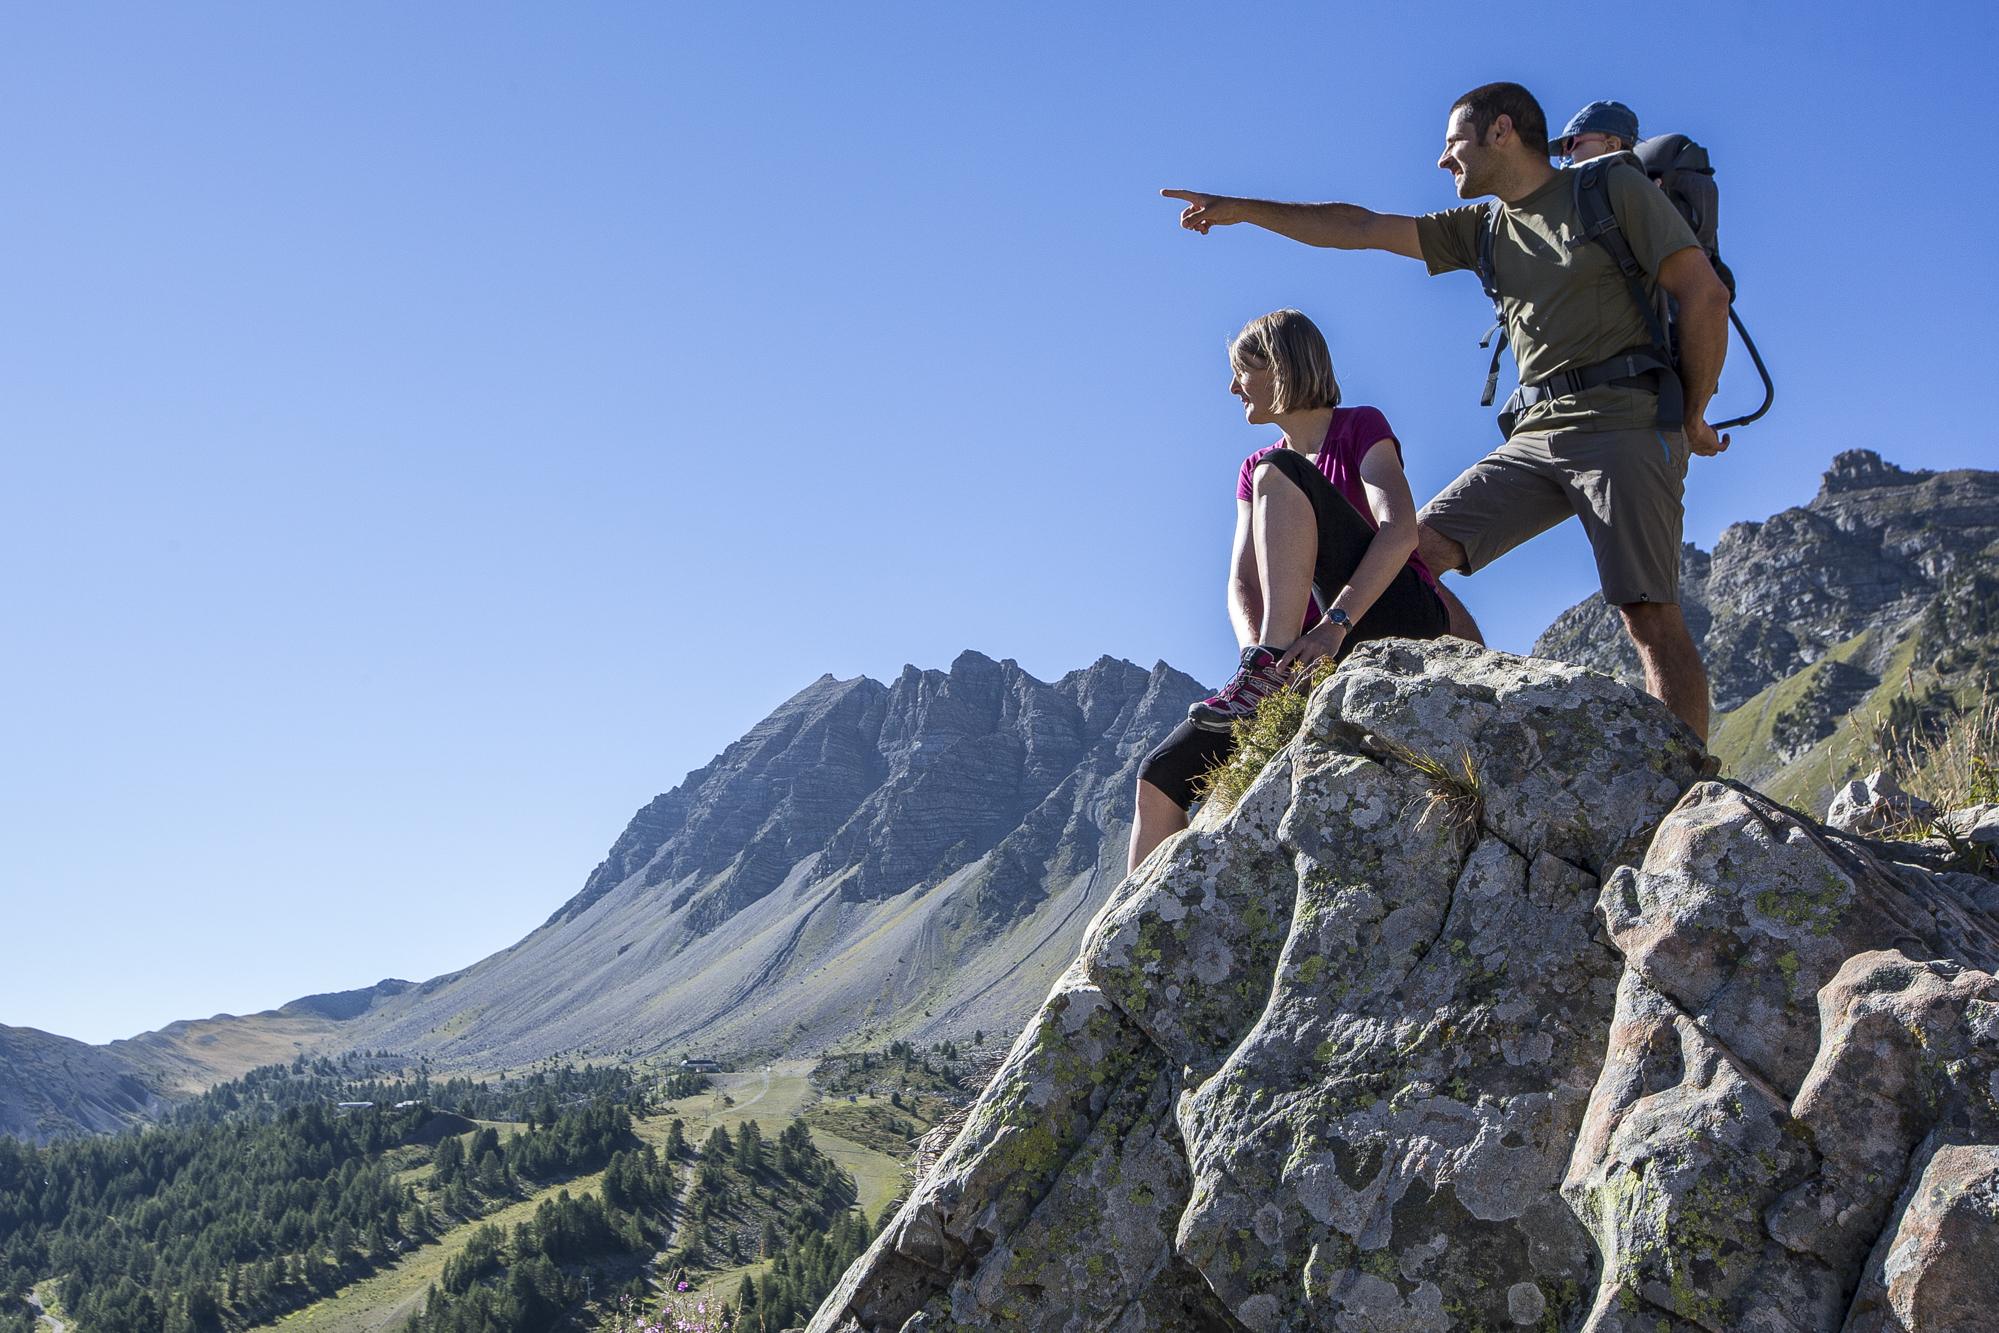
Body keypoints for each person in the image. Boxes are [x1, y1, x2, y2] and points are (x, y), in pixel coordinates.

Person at [1160, 81, 1732, 743]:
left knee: (1648, 616)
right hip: (1535, 433)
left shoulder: (1607, 189)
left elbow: (1702, 294)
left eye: (1452, 143)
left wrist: (1691, 413)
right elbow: (1360, 228)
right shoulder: (1481, 229)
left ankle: (1685, 782)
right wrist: (1240, 209)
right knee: (1408, 555)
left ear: (1501, 133)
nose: (1441, 161)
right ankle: (1470, 702)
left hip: (1623, 420)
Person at [1129, 309, 1449, 871]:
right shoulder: (1252, 468)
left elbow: (1400, 529)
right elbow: (1241, 582)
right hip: (1295, 657)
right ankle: (1116, 957)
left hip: (1387, 616)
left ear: (1278, 366)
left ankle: (1268, 664)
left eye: (1242, 370)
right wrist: (1262, 657)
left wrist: (1334, 625)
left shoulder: (1359, 428)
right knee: (1159, 775)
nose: (1232, 387)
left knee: (1280, 468)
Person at [1552, 99, 1639, 162]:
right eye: (1561, 152)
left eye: (1570, 144)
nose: (1565, 157)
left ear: (1611, 146)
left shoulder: (1623, 182)